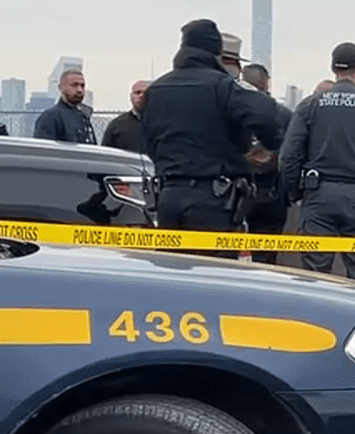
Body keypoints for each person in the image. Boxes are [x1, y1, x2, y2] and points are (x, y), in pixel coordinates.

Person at [140, 18, 284, 257]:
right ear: (215, 52)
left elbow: (148, 141)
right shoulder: (223, 86)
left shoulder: (156, 90)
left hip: (168, 197)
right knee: (214, 279)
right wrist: (269, 144)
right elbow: (266, 112)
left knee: (171, 275)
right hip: (213, 199)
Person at [280, 42, 355, 283]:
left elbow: (288, 158)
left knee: (315, 276)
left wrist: (296, 192)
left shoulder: (310, 105)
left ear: (333, 68)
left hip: (318, 197)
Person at [241, 63, 294, 264]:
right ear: (267, 83)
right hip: (271, 193)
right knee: (266, 259)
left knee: (224, 256)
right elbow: (292, 154)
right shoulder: (283, 114)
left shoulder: (229, 110)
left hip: (234, 191)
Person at [34, 69, 97, 144]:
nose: (79, 90)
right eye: (74, 85)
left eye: (82, 86)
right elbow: (43, 150)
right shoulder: (51, 117)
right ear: (61, 88)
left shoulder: (84, 117)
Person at [101, 80, 150, 153]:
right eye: (138, 93)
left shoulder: (162, 123)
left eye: (146, 93)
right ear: (131, 97)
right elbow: (105, 155)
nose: (141, 96)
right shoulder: (117, 125)